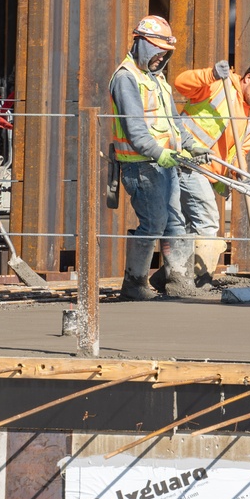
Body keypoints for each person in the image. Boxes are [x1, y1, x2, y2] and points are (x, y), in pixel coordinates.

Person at [109, 15, 199, 300]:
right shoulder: (126, 78)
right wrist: (161, 154)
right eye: (157, 52)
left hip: (164, 162)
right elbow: (136, 131)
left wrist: (190, 145)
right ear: (142, 44)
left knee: (174, 220)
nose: (161, 58)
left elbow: (173, 119)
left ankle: (178, 280)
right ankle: (134, 283)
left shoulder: (156, 77)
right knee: (154, 222)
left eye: (165, 54)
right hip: (142, 165)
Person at [174, 55, 250, 282]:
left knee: (187, 226)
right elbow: (180, 83)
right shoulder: (218, 86)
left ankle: (172, 276)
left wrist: (238, 173)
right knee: (207, 219)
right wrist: (211, 74)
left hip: (208, 173)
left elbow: (240, 151)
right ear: (248, 78)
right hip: (187, 162)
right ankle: (199, 280)